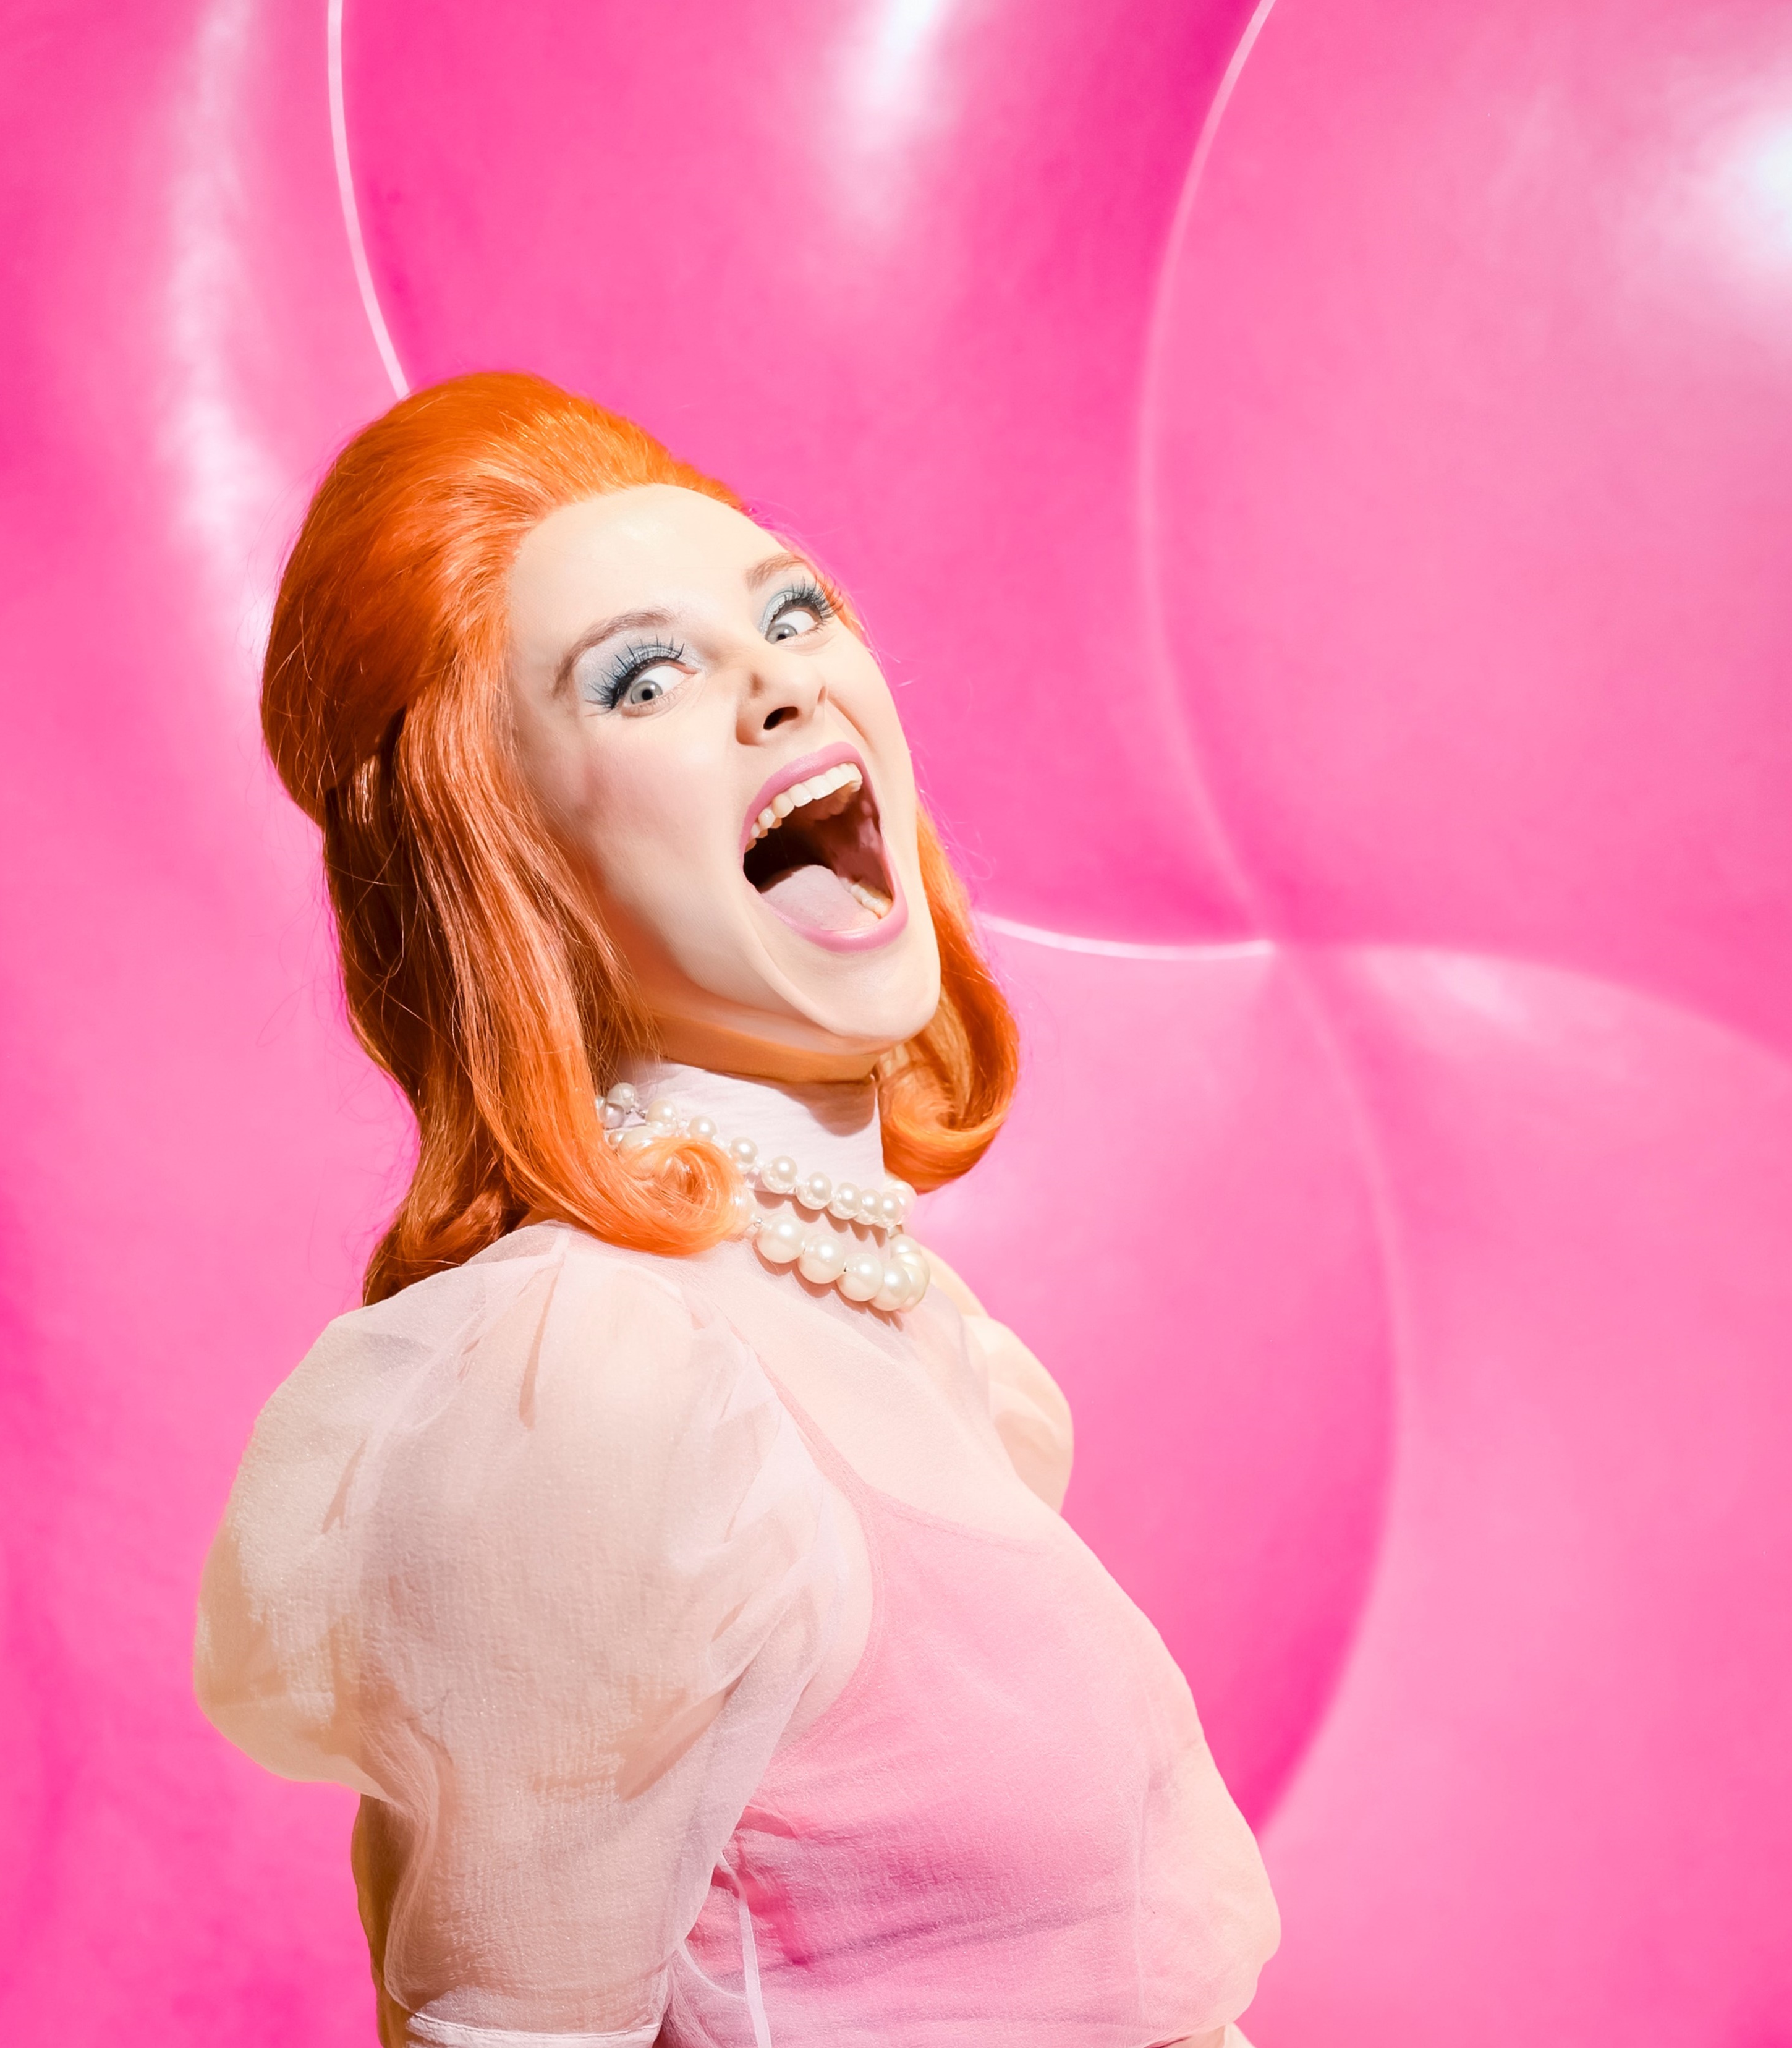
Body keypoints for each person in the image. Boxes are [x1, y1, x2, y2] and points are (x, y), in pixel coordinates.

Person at [195, 372, 1279, 2047]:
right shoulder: (598, 1385)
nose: (779, 682)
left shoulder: (927, 1349)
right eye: (645, 678)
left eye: (790, 612)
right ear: (511, 862)